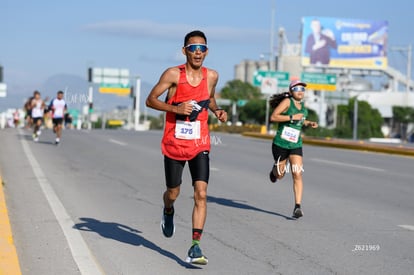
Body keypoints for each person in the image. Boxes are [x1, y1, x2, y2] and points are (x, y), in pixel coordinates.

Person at [145, 30, 227, 265]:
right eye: (193, 48)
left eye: (202, 48)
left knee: (201, 193)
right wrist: (176, 109)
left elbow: (209, 98)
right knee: (174, 192)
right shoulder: (173, 74)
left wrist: (217, 110)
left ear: (207, 51)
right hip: (174, 143)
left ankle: (195, 246)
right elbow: (150, 100)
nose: (198, 52)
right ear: (185, 51)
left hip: (200, 143)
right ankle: (168, 209)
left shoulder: (212, 76)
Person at [268, 80, 318, 219]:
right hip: (281, 143)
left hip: (296, 144)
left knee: (297, 173)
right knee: (280, 174)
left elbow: (300, 120)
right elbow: (273, 117)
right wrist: (291, 116)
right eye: (297, 89)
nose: (300, 91)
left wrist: (309, 123)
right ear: (291, 91)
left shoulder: (302, 106)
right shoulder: (287, 102)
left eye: (302, 89)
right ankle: (273, 172)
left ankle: (297, 207)